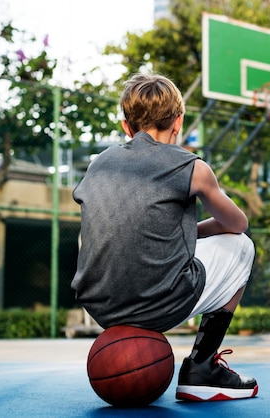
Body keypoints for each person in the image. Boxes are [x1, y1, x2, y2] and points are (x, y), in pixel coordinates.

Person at [71, 72, 258, 401]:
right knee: (242, 247)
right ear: (179, 120)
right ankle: (202, 367)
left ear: (126, 127)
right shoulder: (190, 166)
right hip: (160, 303)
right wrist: (195, 232)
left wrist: (182, 234)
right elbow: (237, 223)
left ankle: (200, 366)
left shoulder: (99, 164)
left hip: (101, 307)